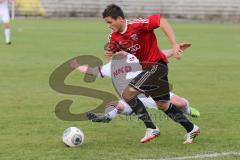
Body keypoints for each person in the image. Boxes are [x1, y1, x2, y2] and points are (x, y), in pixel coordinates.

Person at [102, 4, 200, 144]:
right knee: (163, 105)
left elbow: (162, 21)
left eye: (109, 22)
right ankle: (192, 128)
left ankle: (151, 128)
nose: (108, 25)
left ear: (119, 19)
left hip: (157, 65)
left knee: (128, 94)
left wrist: (174, 45)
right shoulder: (114, 36)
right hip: (149, 69)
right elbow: (113, 49)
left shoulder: (137, 25)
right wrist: (110, 52)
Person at [70, 43, 200, 123]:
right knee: (114, 104)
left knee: (180, 103)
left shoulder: (137, 57)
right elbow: (93, 71)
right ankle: (106, 117)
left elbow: (159, 55)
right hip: (132, 98)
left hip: (153, 91)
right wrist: (76, 66)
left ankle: (187, 110)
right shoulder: (112, 66)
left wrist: (175, 49)